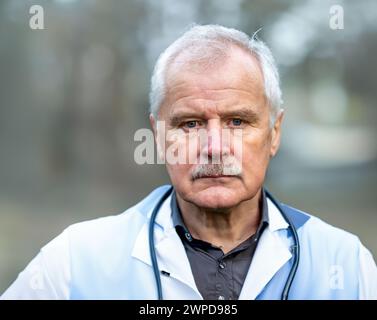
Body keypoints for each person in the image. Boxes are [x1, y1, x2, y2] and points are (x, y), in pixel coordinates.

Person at [2, 24, 377, 300]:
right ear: (159, 137)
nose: (214, 147)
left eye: (237, 121)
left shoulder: (346, 266)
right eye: (190, 124)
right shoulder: (73, 264)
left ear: (274, 132)